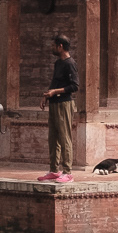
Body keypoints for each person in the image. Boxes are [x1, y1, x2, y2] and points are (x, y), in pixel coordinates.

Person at [39, 35, 79, 183]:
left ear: (60, 46)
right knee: (53, 137)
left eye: (54, 45)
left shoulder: (70, 64)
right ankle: (54, 170)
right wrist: (46, 96)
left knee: (64, 138)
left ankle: (68, 172)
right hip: (54, 104)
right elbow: (54, 82)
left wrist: (55, 92)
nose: (52, 48)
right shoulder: (58, 63)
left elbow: (74, 86)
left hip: (64, 104)